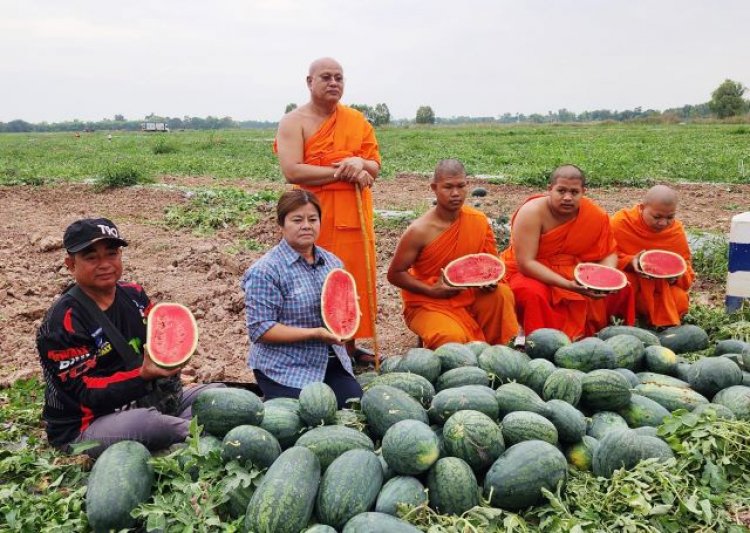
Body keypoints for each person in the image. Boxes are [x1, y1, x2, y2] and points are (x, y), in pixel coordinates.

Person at [36, 218, 220, 458]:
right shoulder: (64, 321)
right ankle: (209, 437)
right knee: (150, 424)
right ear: (70, 264)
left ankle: (173, 436)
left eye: (111, 254)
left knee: (217, 394)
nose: (104, 264)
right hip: (87, 424)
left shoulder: (134, 294)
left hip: (147, 401)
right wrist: (142, 375)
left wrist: (172, 354)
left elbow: (159, 340)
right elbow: (86, 392)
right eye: (91, 258)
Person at [274, 57, 381, 365]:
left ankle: (348, 347)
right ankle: (316, 348)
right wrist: (344, 170)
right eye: (326, 77)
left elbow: (374, 166)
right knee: (312, 279)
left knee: (353, 277)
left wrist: (360, 164)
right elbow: (292, 170)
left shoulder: (356, 120)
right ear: (309, 82)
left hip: (354, 213)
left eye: (339, 77)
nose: (334, 83)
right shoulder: (294, 121)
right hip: (311, 214)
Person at [242, 190, 362, 408]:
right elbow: (260, 329)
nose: (306, 225)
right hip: (284, 367)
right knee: (307, 416)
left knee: (354, 408)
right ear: (282, 224)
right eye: (297, 220)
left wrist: (349, 313)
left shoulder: (333, 263)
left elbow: (342, 309)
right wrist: (315, 334)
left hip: (329, 361)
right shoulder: (265, 271)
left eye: (312, 219)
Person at [387, 159, 519, 349]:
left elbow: (489, 262)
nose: (455, 193)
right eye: (448, 187)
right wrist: (432, 290)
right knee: (450, 339)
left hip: (470, 294)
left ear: (468, 185)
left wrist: (489, 281)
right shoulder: (419, 230)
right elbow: (395, 274)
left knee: (501, 294)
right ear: (434, 187)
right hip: (428, 302)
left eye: (461, 186)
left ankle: (495, 353)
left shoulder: (478, 220)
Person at [501, 164, 635, 340]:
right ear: (550, 189)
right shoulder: (532, 212)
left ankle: (613, 335)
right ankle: (540, 341)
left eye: (574, 192)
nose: (567, 197)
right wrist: (568, 285)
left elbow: (609, 252)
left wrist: (602, 278)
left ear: (583, 192)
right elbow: (526, 263)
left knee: (623, 287)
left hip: (573, 269)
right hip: (531, 272)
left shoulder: (593, 214)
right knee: (532, 293)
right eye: (561, 191)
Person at [611, 185, 695, 328]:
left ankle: (656, 323)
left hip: (661, 288)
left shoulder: (675, 231)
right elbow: (604, 256)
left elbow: (686, 267)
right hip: (632, 282)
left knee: (680, 300)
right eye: (657, 217)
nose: (663, 223)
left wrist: (676, 276)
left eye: (670, 217)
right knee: (621, 289)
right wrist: (630, 262)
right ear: (642, 207)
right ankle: (627, 319)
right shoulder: (621, 222)